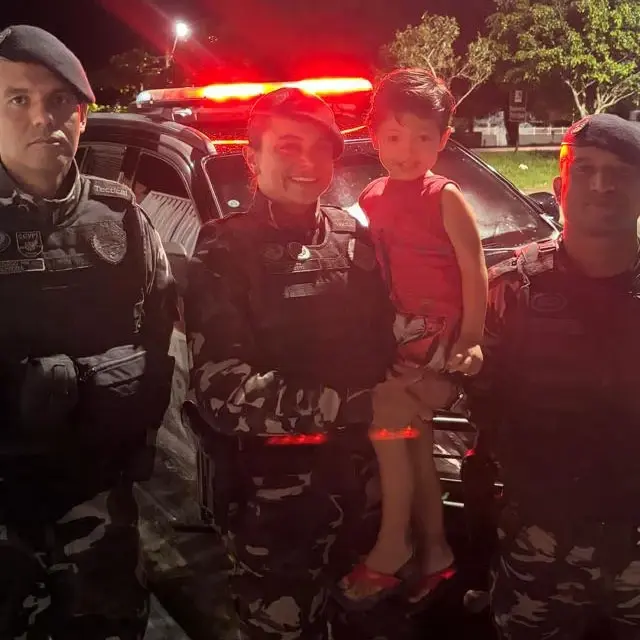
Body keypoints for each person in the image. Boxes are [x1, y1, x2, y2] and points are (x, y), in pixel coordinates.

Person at [183, 86, 435, 639]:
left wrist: (432, 367)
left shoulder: (355, 236)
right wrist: (355, 404)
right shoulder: (224, 249)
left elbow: (394, 341)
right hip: (277, 514)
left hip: (367, 500)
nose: (308, 162)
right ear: (252, 157)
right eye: (288, 146)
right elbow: (223, 390)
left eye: (321, 148)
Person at [0, 25, 177, 639]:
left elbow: (158, 340)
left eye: (59, 101)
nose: (42, 118)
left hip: (98, 501)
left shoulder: (123, 218)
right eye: (18, 99)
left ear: (81, 116)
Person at [468, 113, 640, 639]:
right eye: (585, 169)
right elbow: (469, 392)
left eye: (621, 173)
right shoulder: (508, 289)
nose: (602, 185)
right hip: (539, 544)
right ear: (560, 186)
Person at [336, 68, 488, 608]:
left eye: (424, 137)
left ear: (443, 139)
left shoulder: (444, 196)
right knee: (413, 442)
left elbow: (474, 269)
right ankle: (436, 552)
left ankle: (391, 547)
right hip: (396, 332)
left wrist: (472, 338)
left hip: (436, 334)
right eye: (395, 137)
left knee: (388, 422)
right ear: (374, 137)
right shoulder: (372, 195)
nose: (408, 151)